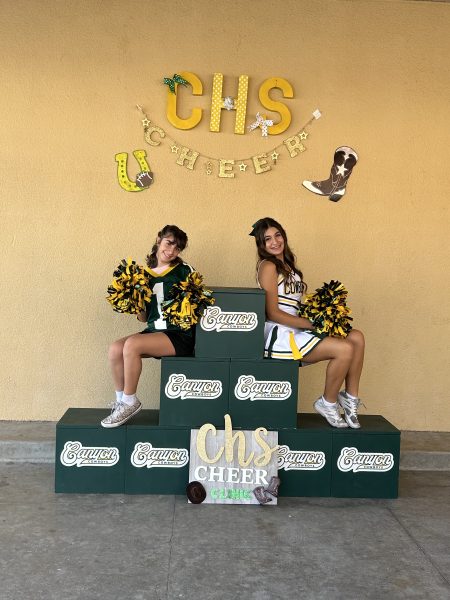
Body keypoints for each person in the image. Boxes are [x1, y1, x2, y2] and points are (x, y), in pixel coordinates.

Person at [251, 217, 365, 429]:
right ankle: (328, 402)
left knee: (356, 337)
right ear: (261, 245)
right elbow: (273, 312)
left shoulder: (289, 265)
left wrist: (324, 315)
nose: (274, 242)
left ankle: (350, 400)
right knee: (344, 349)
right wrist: (311, 324)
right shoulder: (268, 266)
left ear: (283, 235)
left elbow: (294, 305)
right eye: (267, 239)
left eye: (277, 235)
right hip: (281, 334)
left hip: (297, 327)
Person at [101, 225, 195, 428]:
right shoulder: (142, 274)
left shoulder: (184, 271)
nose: (171, 251)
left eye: (177, 248)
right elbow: (144, 318)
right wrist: (136, 301)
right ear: (158, 240)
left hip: (178, 334)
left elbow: (194, 304)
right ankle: (120, 402)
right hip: (153, 331)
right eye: (169, 243)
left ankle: (130, 400)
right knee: (115, 348)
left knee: (133, 344)